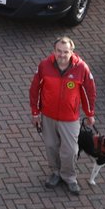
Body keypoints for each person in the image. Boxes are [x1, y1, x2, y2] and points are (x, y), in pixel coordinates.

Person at [29, 36, 96, 196]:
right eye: (59, 51)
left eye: (65, 52)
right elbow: (34, 90)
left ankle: (69, 177)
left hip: (70, 118)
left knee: (71, 150)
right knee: (51, 146)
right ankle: (55, 172)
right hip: (48, 116)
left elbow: (89, 92)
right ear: (54, 51)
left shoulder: (81, 68)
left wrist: (89, 113)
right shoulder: (44, 66)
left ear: (72, 52)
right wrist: (35, 112)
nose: (62, 55)